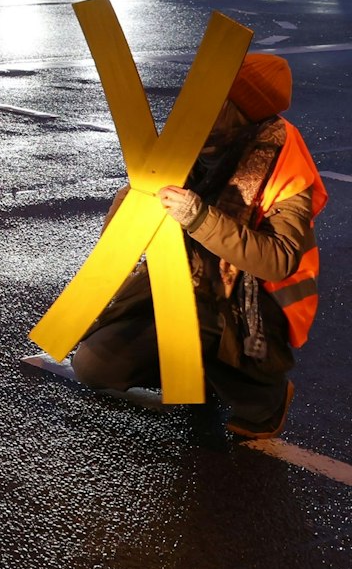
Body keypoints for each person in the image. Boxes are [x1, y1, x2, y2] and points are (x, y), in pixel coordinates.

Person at [71, 53, 325, 439]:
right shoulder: (192, 145)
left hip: (250, 304)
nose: (194, 104)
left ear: (237, 108)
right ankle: (195, 372)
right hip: (180, 283)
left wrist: (200, 218)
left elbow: (279, 260)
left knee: (206, 327)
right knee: (94, 366)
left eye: (212, 96)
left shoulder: (283, 162)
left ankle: (266, 398)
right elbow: (119, 242)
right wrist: (131, 201)